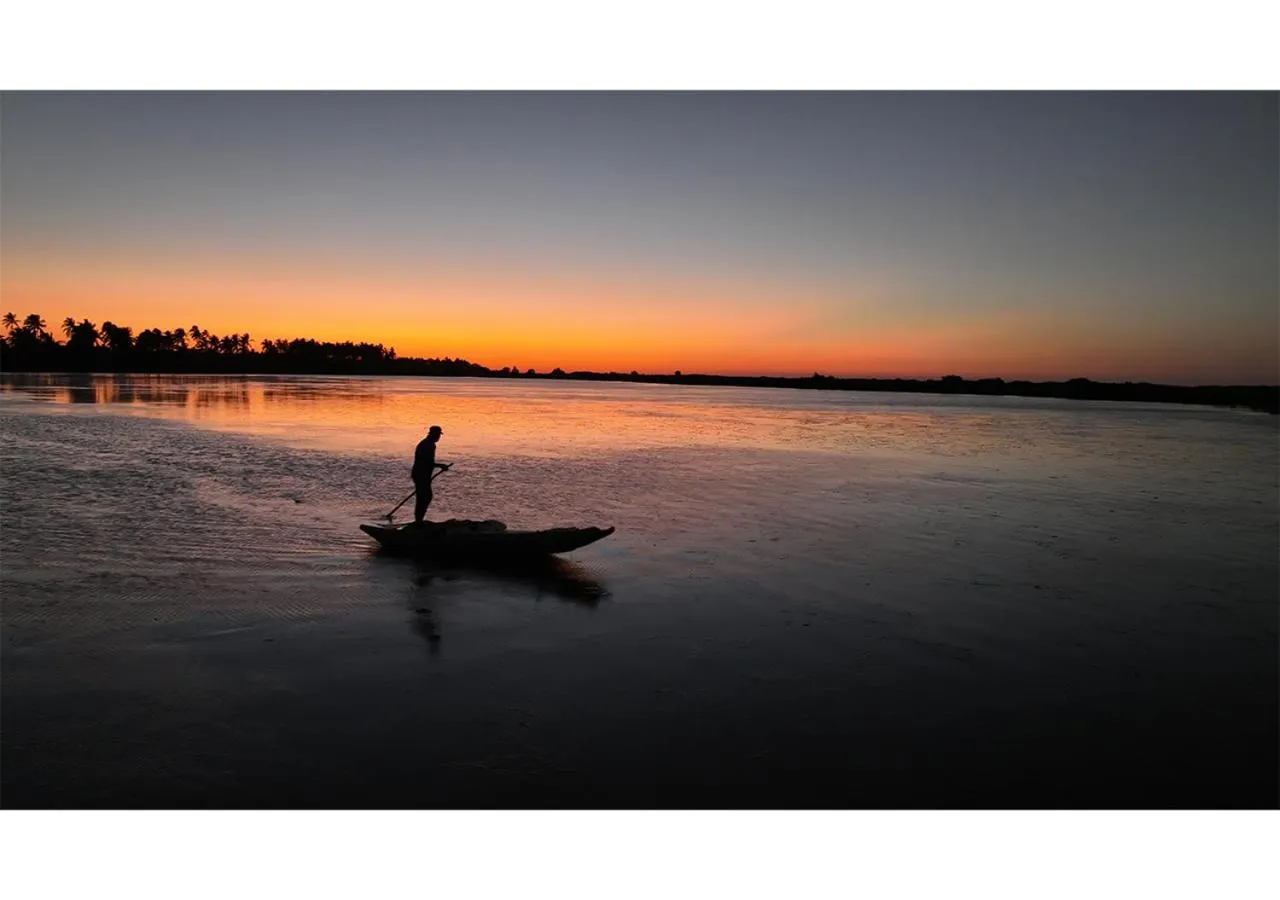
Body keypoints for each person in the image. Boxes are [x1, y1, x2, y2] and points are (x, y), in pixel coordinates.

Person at [411, 425, 450, 522]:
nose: (439, 437)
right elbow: (426, 462)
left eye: (439, 435)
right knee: (424, 497)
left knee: (424, 497)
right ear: (433, 435)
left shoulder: (429, 444)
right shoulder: (427, 445)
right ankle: (418, 521)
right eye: (437, 435)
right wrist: (441, 466)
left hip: (423, 474)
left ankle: (419, 520)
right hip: (421, 474)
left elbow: (428, 463)